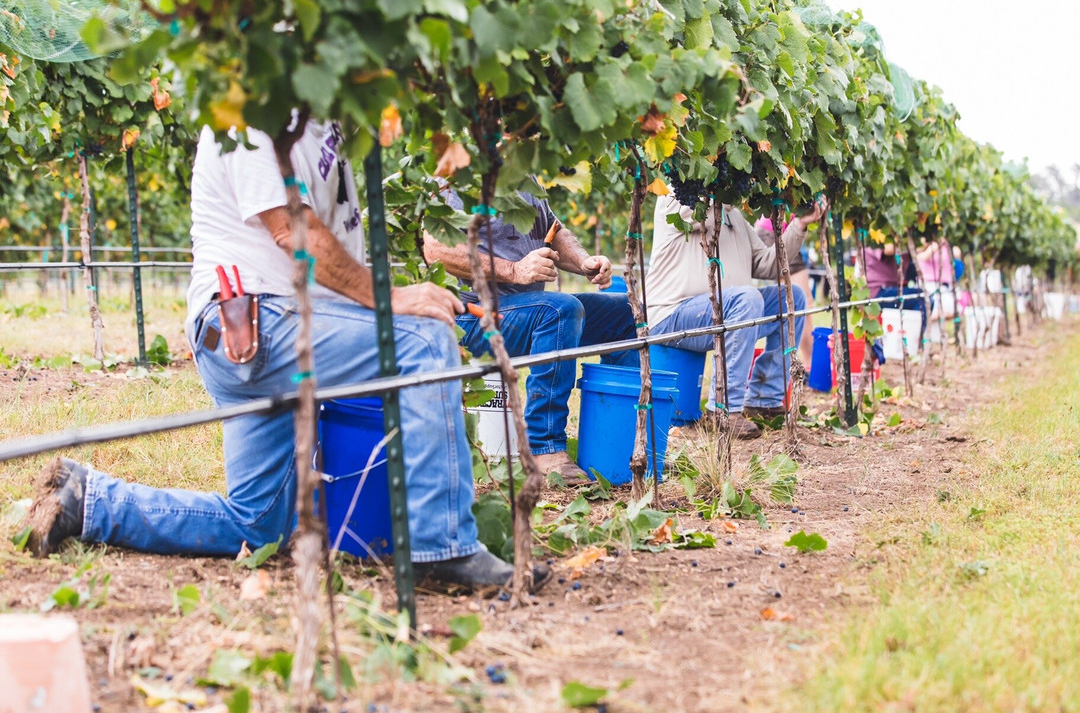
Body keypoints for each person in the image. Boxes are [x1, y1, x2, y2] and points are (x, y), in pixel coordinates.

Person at [26, 119, 548, 591]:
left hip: (276, 329)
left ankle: (90, 500)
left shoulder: (329, 114)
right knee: (423, 343)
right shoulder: (248, 108)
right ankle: (444, 548)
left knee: (258, 524)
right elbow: (293, 230)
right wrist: (391, 301)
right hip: (253, 324)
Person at [424, 189, 637, 484]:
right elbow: (436, 250)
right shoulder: (460, 175)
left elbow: (552, 228)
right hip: (472, 316)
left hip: (526, 311)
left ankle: (620, 437)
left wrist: (585, 262)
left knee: (624, 313)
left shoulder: (525, 174)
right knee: (559, 311)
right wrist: (514, 270)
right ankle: (544, 449)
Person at [646, 197, 824, 440]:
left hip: (723, 312)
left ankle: (764, 399)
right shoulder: (675, 201)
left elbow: (769, 264)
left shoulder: (735, 217)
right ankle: (723, 409)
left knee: (792, 297)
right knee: (746, 298)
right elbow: (704, 208)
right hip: (672, 314)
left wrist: (799, 225)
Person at [754, 215, 813, 363]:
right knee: (801, 305)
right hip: (775, 232)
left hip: (778, 231)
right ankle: (808, 365)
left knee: (797, 303)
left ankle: (804, 364)